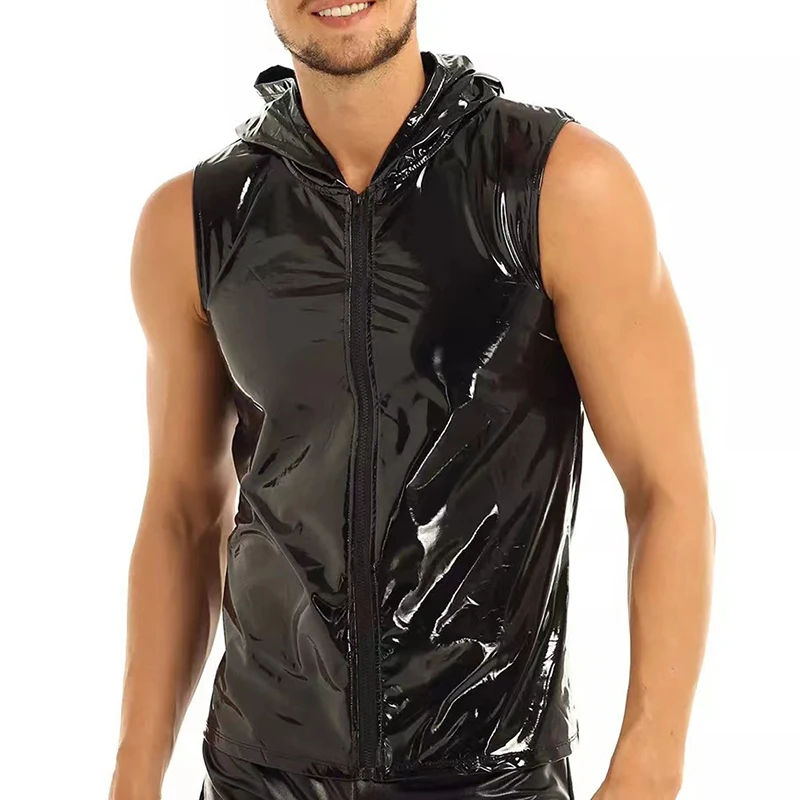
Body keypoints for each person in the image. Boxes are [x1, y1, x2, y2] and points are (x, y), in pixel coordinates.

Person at [108, 2, 716, 799]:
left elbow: (669, 492)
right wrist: (131, 779)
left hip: (489, 778)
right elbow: (183, 514)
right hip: (258, 776)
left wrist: (647, 773)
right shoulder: (195, 223)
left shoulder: (558, 185)